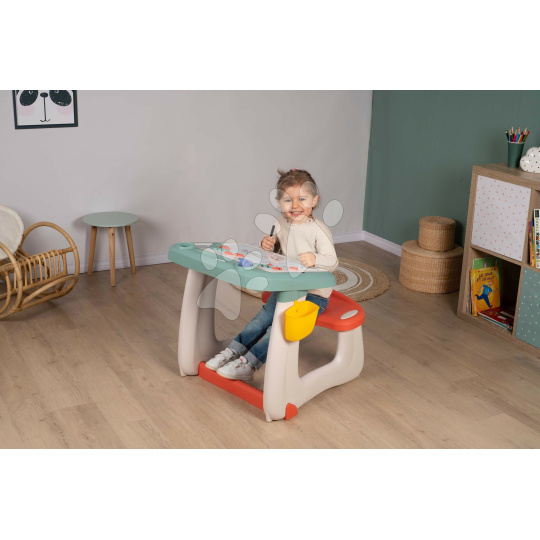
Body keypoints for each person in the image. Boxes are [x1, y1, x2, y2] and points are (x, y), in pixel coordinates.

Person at [205, 168, 339, 381]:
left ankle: (249, 364)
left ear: (314, 200)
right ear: (279, 202)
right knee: (260, 321)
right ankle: (233, 351)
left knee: (278, 328)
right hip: (287, 287)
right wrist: (268, 245)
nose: (295, 206)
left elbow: (332, 261)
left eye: (302, 199)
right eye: (288, 200)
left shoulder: (319, 230)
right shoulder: (279, 223)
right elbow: (274, 253)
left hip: (313, 294)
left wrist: (315, 258)